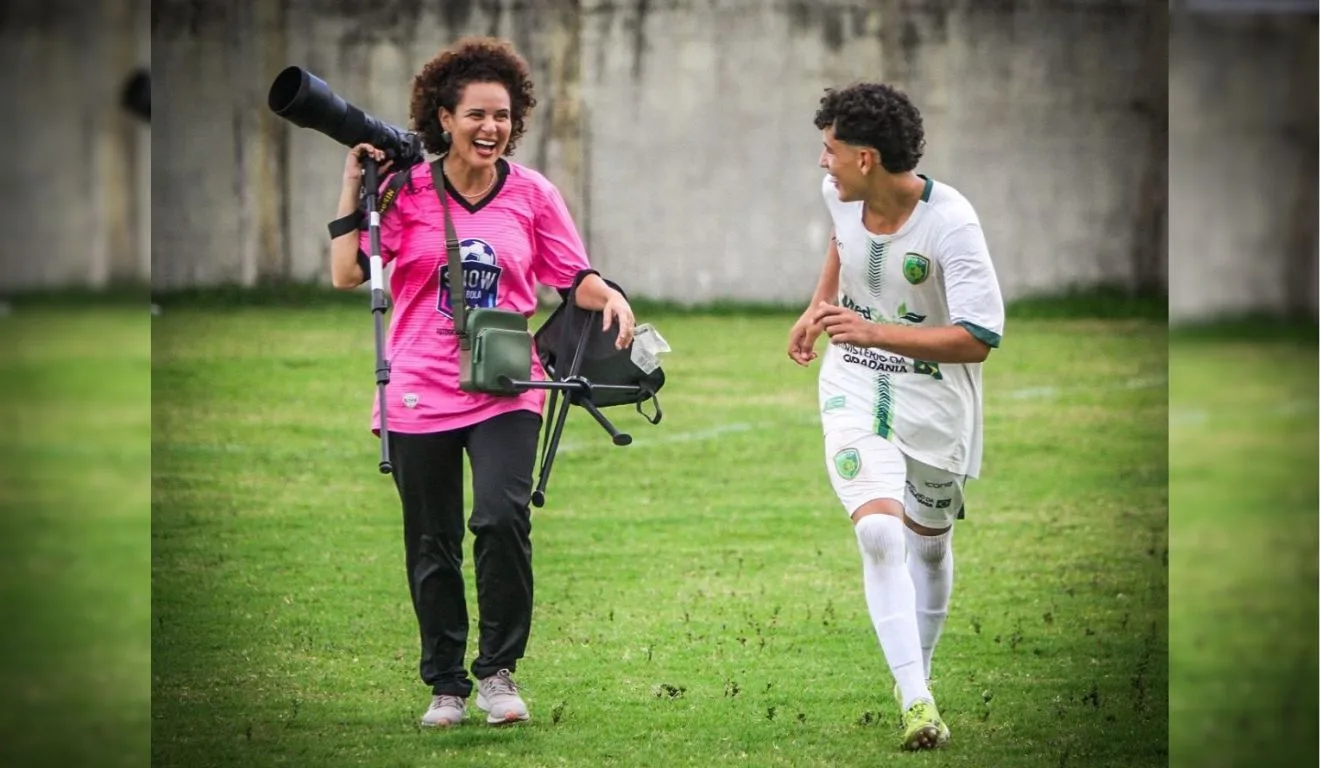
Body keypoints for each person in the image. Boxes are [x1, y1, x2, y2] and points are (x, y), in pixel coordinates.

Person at [327, 36, 635, 728]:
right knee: (430, 543)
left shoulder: (532, 194)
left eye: (502, 116)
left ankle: (497, 672)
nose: (490, 128)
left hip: (507, 386)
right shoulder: (403, 190)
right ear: (443, 118)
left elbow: (570, 276)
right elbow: (348, 273)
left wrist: (608, 295)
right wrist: (354, 182)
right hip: (416, 390)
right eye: (475, 115)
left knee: (501, 520)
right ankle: (445, 685)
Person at [787, 82, 1004, 751]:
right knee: (881, 536)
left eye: (831, 150)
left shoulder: (953, 224)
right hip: (853, 386)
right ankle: (917, 699)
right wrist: (820, 308)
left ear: (865, 159)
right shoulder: (841, 196)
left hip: (938, 405)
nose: (822, 162)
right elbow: (839, 243)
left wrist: (875, 331)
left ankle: (919, 673)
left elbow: (980, 337)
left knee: (930, 546)